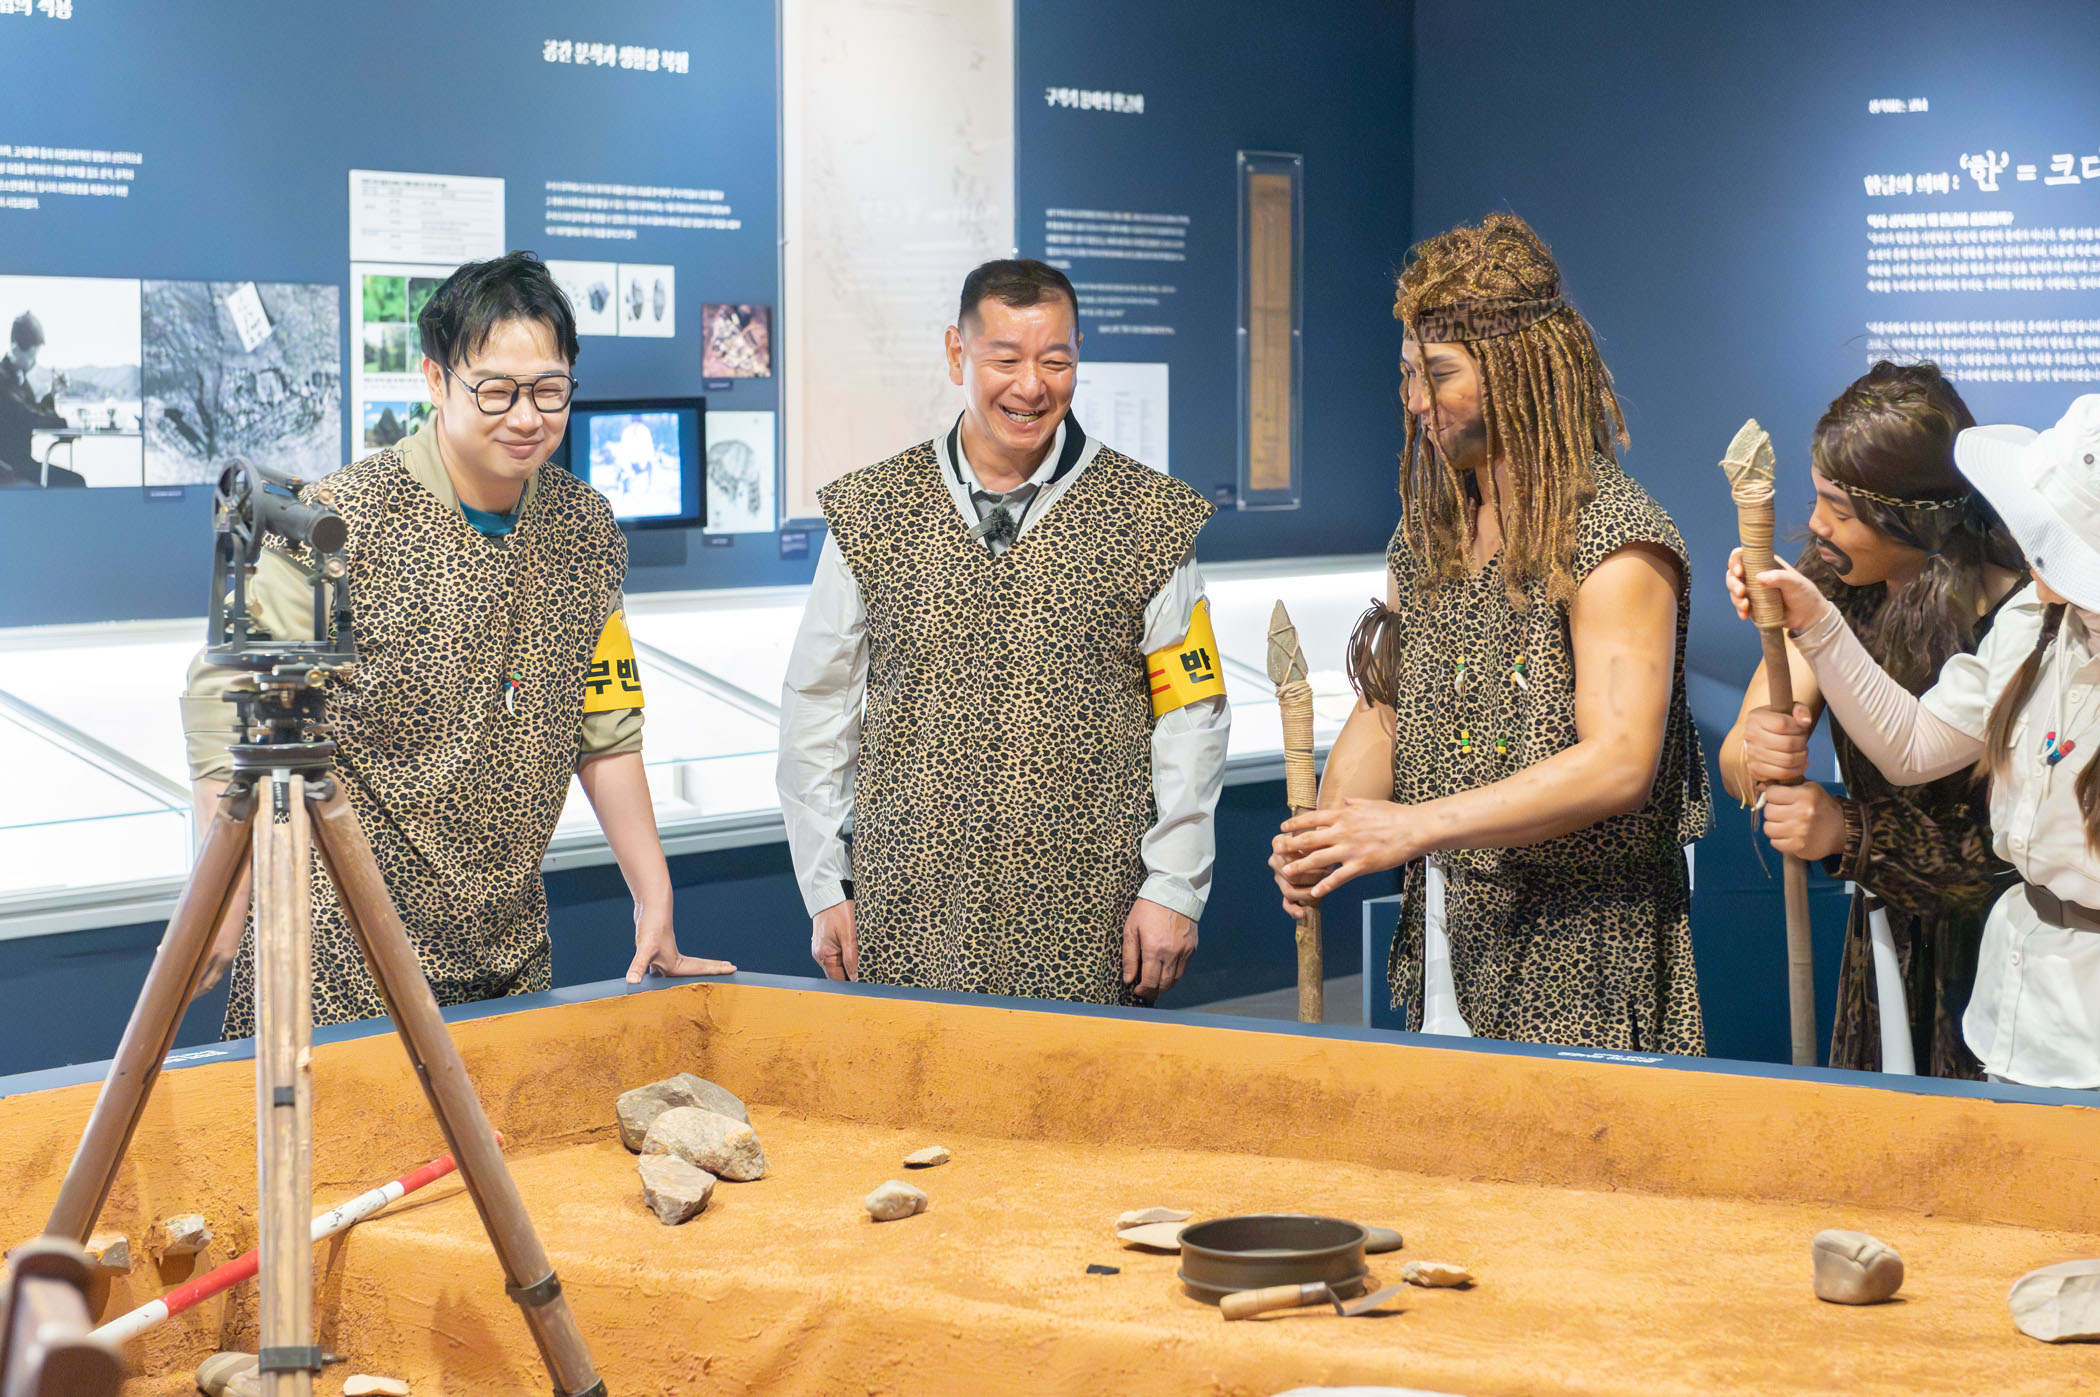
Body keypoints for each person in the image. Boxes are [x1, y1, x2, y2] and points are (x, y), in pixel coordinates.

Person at [180, 251, 733, 1036]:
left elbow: (604, 721)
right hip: (341, 972)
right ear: (436, 380)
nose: (526, 417)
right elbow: (230, 702)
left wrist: (654, 896)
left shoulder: (585, 530)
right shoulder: (335, 522)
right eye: (496, 391)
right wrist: (222, 898)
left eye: (549, 389)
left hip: (506, 961)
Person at [1270, 213, 1710, 1053]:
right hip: (1450, 937)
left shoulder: (1616, 538)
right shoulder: (1430, 533)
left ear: (1518, 370)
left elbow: (1620, 763)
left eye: (1438, 374)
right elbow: (1388, 708)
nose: (1415, 402)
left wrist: (1416, 825)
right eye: (1408, 373)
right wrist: (1329, 833)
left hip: (1582, 960)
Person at [777, 257, 1228, 1005]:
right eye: (1006, 359)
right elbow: (818, 708)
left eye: (1056, 361)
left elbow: (1192, 715)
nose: (1031, 387)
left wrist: (1175, 885)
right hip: (908, 915)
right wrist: (827, 884)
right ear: (957, 353)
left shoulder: (1148, 517)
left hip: (1090, 919)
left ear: (1079, 356)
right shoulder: (873, 511)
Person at [1736, 394, 2100, 1090]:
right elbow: (1914, 745)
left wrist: (1851, 831)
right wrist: (1816, 622)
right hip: (2019, 1000)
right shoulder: (2034, 620)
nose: (2024, 537)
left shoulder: (2021, 603)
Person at [0, 311, 83, 489]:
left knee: (73, 481)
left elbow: (34, 411)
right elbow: (28, 417)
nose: (34, 362)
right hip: (9, 469)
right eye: (32, 356)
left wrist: (53, 393)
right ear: (16, 346)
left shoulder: (16, 379)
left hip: (19, 465)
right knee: (76, 483)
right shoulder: (3, 380)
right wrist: (66, 423)